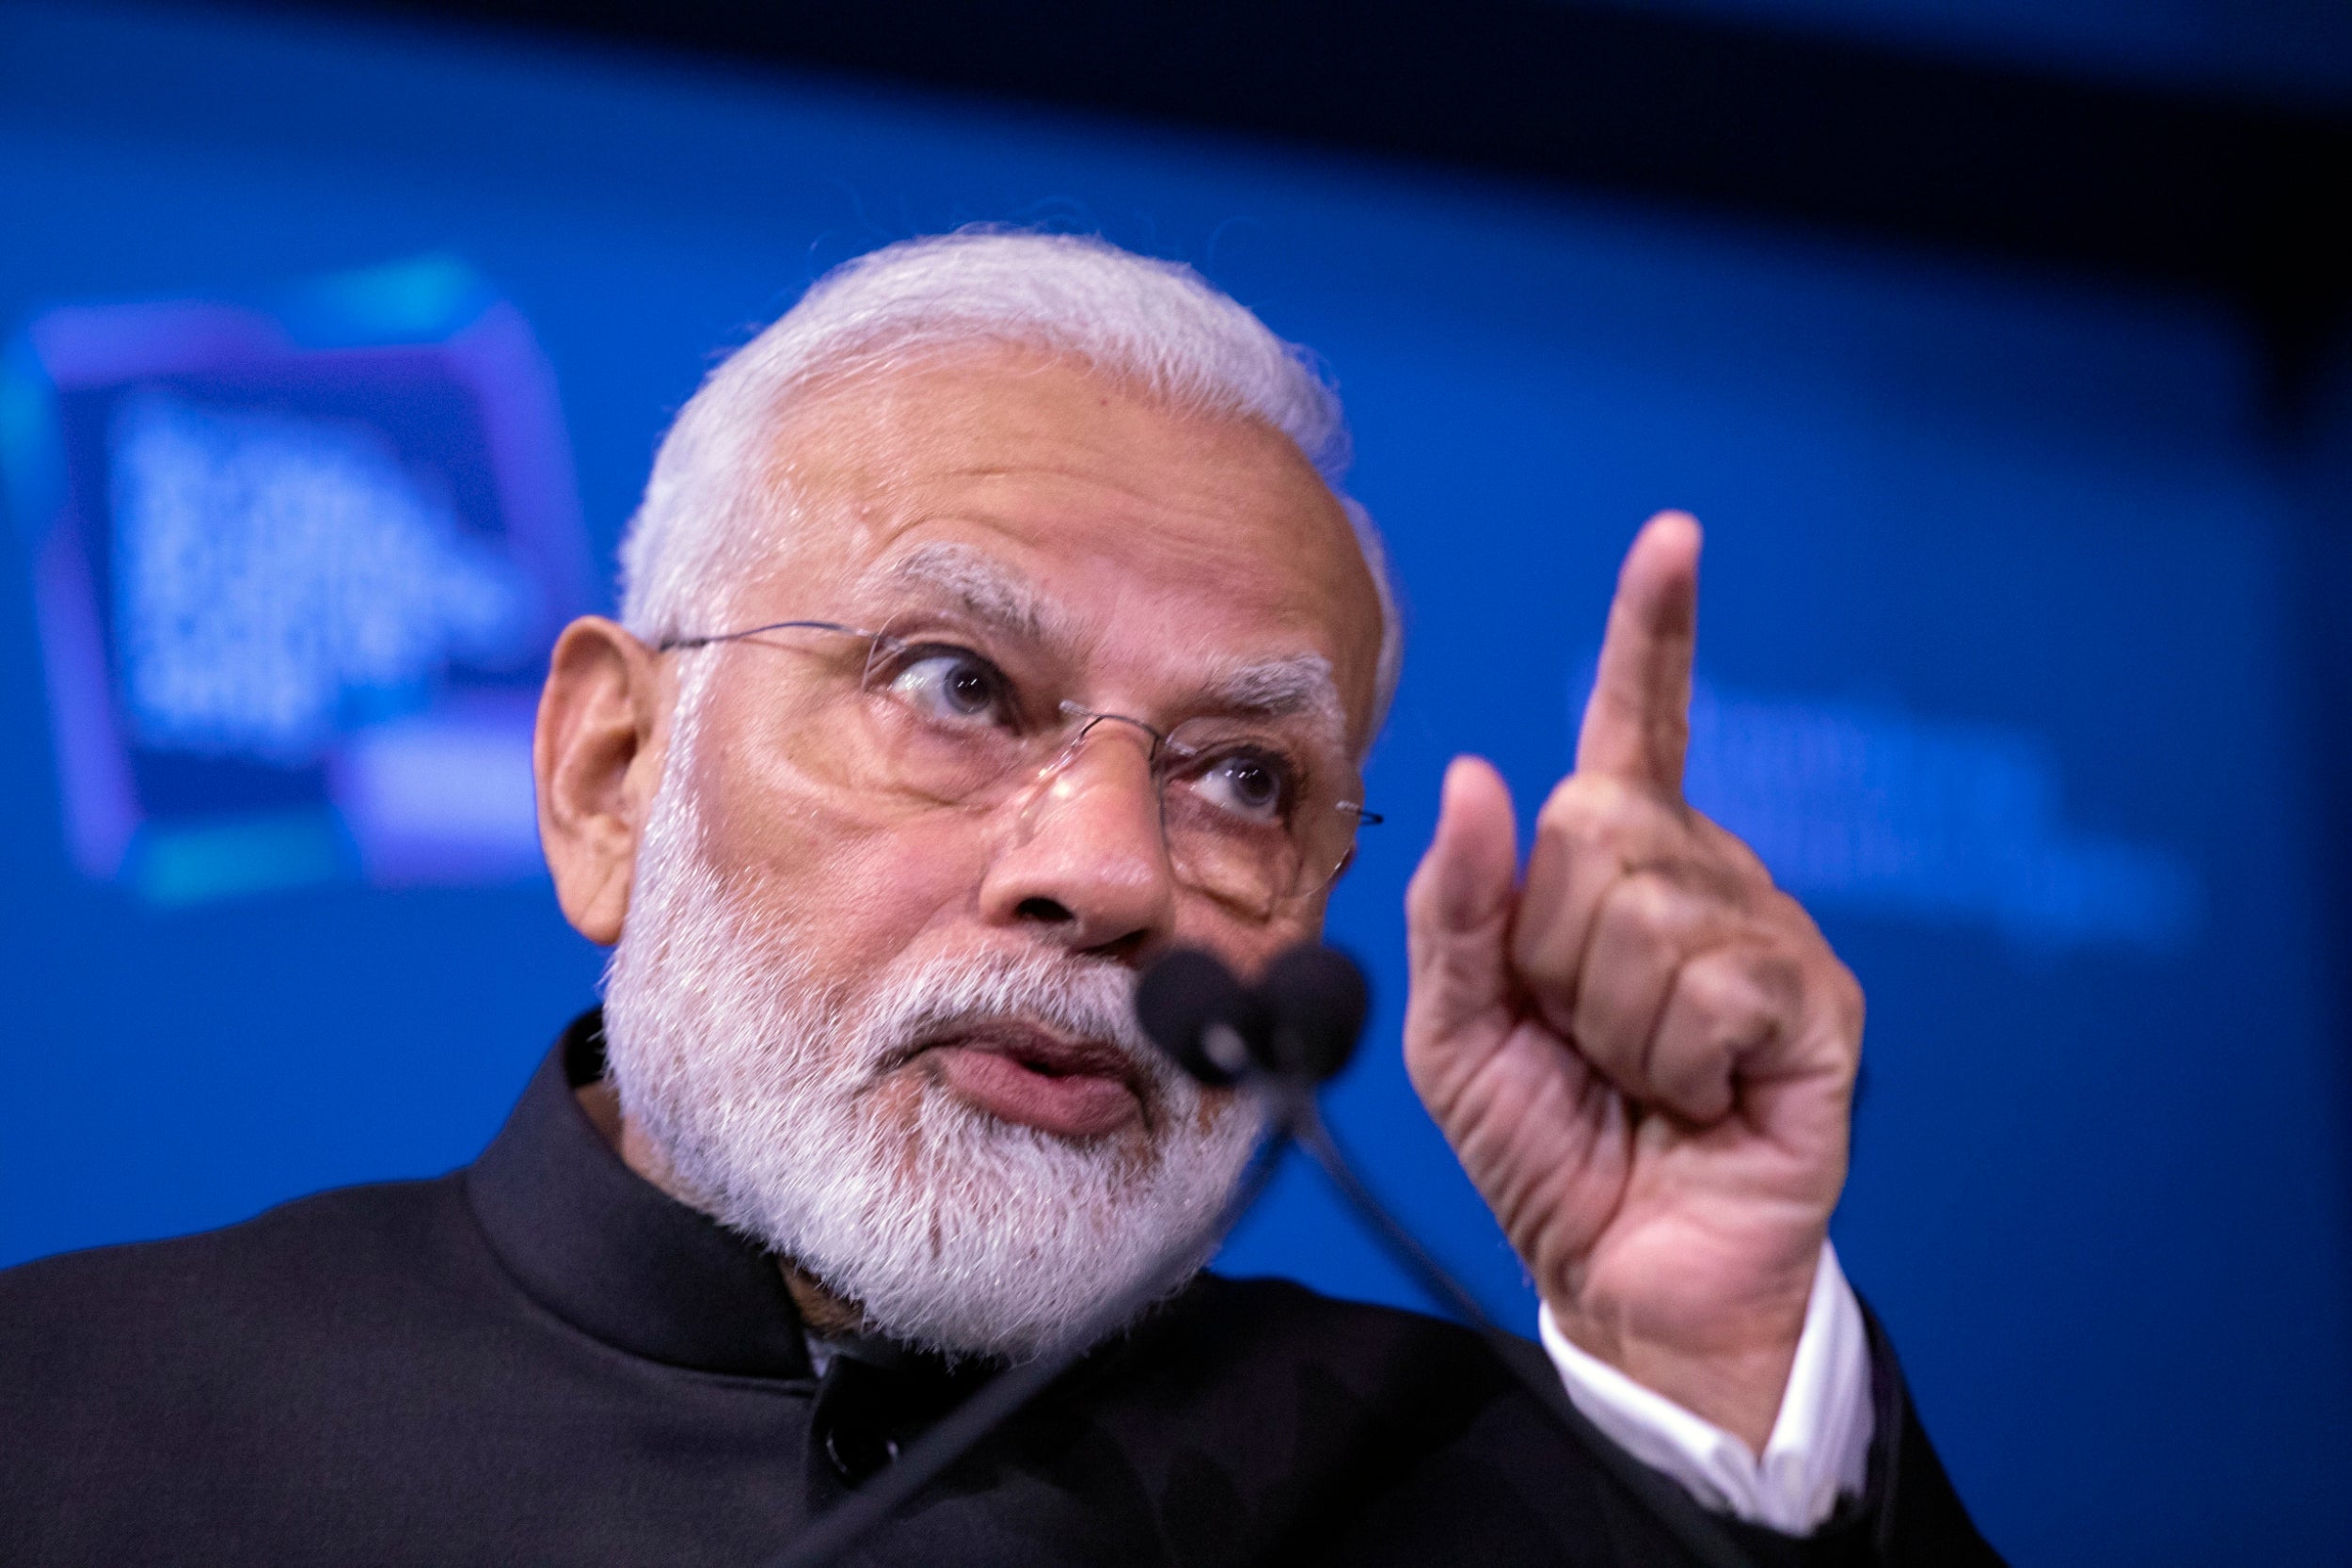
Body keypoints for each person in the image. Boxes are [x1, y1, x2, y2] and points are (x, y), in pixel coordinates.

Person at [0, 231, 2000, 1565]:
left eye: (1241, 779)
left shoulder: (1510, 1496)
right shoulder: (70, 1425)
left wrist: (1722, 1375)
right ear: (611, 775)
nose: (1110, 871)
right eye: (955, 687)